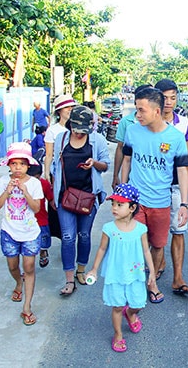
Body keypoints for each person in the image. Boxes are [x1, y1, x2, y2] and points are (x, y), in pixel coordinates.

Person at [121, 87, 188, 304]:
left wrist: (184, 204)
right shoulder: (132, 131)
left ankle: (151, 282)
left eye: (141, 110)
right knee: (131, 242)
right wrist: (122, 193)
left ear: (157, 111)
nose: (137, 114)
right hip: (136, 201)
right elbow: (127, 161)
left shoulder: (175, 138)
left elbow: (182, 171)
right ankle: (131, 285)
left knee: (158, 245)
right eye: (136, 110)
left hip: (161, 201)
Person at [86, 183, 156, 353]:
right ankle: (118, 334)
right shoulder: (108, 228)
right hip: (115, 275)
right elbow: (102, 249)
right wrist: (94, 269)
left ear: (132, 207)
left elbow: (146, 250)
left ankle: (131, 314)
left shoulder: (141, 229)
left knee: (138, 303)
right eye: (113, 204)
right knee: (117, 306)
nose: (114, 208)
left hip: (136, 275)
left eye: (119, 204)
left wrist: (152, 272)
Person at [51, 105, 111, 295]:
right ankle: (69, 280)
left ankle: (81, 270)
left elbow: (105, 166)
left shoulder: (97, 140)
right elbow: (55, 167)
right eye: (76, 130)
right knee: (68, 237)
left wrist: (94, 163)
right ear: (70, 125)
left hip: (88, 197)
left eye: (82, 130)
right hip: (65, 197)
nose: (78, 134)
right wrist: (52, 195)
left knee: (84, 235)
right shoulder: (61, 139)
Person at [154, 78, 188, 295]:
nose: (169, 102)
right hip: (153, 187)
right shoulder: (147, 122)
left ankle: (178, 277)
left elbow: (186, 160)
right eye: (165, 97)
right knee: (156, 236)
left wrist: (184, 198)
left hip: (175, 186)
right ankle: (156, 271)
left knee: (178, 232)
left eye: (173, 97)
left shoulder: (184, 124)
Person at [0, 142, 43, 326]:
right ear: (8, 165)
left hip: (30, 233)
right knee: (13, 266)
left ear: (28, 166)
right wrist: (7, 191)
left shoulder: (34, 183)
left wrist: (25, 192)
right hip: (9, 232)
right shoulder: (3, 182)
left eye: (22, 164)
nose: (18, 168)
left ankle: (27, 307)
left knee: (29, 267)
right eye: (14, 164)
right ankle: (18, 282)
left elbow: (37, 208)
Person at [112, 84, 152, 188]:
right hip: (133, 176)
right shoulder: (126, 123)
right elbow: (120, 148)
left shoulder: (160, 125)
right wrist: (116, 175)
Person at [27, 161, 54, 268]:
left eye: (37, 178)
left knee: (44, 241)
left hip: (41, 220)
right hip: (27, 221)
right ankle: (28, 268)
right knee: (28, 248)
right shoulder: (22, 186)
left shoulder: (44, 184)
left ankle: (43, 252)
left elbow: (51, 199)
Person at [44, 94, 76, 180]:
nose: (70, 109)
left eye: (72, 107)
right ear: (59, 111)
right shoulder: (52, 130)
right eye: (66, 107)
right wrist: (46, 173)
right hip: (59, 171)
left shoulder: (79, 129)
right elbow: (49, 154)